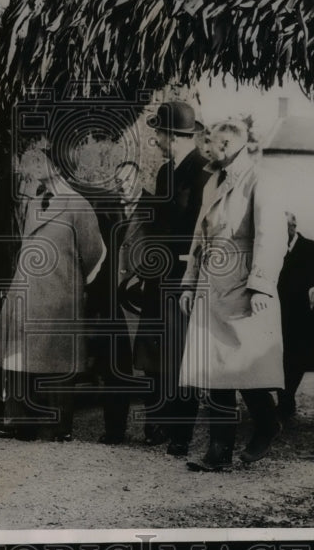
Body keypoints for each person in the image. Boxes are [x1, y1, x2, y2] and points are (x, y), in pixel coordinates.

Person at [179, 120, 283, 472]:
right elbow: (199, 237)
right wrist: (189, 283)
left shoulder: (259, 179)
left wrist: (261, 286)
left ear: (226, 143)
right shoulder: (213, 180)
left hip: (242, 282)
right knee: (214, 369)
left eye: (210, 143)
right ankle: (218, 450)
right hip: (211, 283)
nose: (205, 149)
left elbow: (271, 236)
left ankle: (268, 424)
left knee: (244, 366)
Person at [0, 147, 105, 442]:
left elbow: (95, 255)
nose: (32, 165)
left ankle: (56, 426)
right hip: (27, 292)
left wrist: (72, 287)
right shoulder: (35, 202)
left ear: (59, 166)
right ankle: (19, 421)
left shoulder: (79, 206)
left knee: (56, 362)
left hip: (60, 296)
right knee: (19, 357)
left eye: (41, 161)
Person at [133, 101, 210, 456]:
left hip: (183, 277)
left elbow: (196, 227)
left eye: (159, 134)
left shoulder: (204, 173)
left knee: (181, 356)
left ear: (173, 135)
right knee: (153, 352)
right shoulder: (166, 172)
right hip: (158, 275)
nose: (157, 141)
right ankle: (157, 423)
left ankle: (180, 432)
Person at [86, 160, 155, 445]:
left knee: (152, 367)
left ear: (139, 180)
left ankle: (154, 429)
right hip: (111, 299)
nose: (123, 186)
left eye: (128, 180)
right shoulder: (104, 206)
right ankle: (114, 430)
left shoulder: (155, 207)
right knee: (114, 367)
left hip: (142, 299)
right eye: (119, 181)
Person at [276, 212, 314, 419]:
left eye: (286, 226)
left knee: (297, 358)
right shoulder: (272, 249)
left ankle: (287, 394)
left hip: (302, 315)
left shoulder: (311, 248)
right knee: (279, 357)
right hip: (276, 313)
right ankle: (284, 396)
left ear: (294, 226)